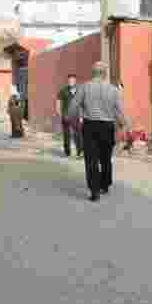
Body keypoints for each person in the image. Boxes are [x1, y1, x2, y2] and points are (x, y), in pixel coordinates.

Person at [67, 62, 129, 202]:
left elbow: (73, 106)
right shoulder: (113, 90)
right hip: (107, 127)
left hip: (90, 126)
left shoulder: (84, 87)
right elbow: (119, 111)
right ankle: (105, 184)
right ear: (104, 73)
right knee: (105, 158)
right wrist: (123, 126)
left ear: (93, 73)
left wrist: (72, 121)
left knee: (91, 160)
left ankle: (94, 190)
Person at [57, 74, 82, 157]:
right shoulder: (63, 90)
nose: (71, 82)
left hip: (76, 116)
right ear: (68, 81)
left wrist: (82, 116)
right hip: (66, 116)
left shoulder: (80, 91)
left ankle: (80, 151)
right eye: (69, 80)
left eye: (72, 80)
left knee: (78, 134)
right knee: (66, 135)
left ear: (75, 81)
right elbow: (58, 102)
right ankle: (67, 152)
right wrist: (60, 114)